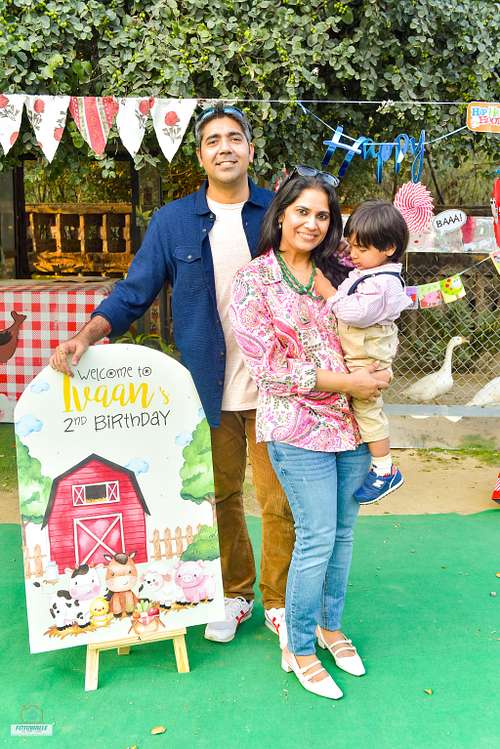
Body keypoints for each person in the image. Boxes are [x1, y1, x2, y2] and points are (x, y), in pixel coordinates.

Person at [49, 104, 294, 645]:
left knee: (280, 500)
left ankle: (281, 602)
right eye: (213, 140)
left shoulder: (278, 214)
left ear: (250, 150)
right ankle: (235, 594)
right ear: (201, 156)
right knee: (221, 497)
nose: (225, 147)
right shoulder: (173, 222)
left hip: (278, 388)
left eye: (235, 138)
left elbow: (316, 279)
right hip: (207, 389)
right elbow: (134, 292)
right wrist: (87, 335)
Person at [229, 167, 389, 700]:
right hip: (296, 427)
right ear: (280, 215)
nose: (312, 223)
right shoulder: (253, 281)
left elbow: (369, 332)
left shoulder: (342, 273)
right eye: (302, 211)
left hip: (351, 424)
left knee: (342, 534)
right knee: (316, 535)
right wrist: (349, 381)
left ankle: (329, 627)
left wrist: (377, 369)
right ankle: (298, 646)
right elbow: (270, 371)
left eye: (323, 215)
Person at [314, 200, 411, 504]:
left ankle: (384, 469)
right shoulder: (372, 270)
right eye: (352, 245)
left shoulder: (382, 283)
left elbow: (354, 313)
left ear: (389, 248)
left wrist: (327, 291)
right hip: (362, 349)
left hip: (366, 353)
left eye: (362, 248)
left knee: (368, 408)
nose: (354, 254)